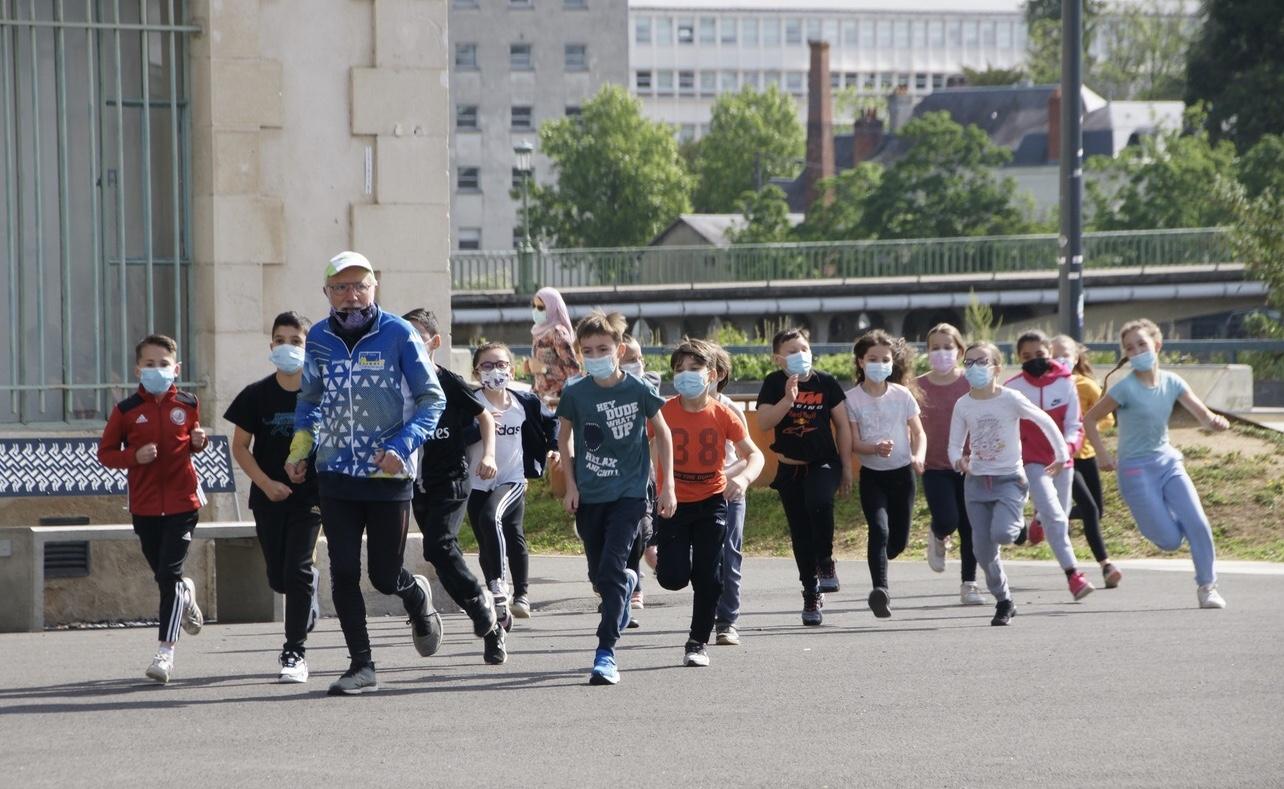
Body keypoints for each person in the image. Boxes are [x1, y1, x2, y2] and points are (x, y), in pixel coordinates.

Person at [286, 251, 446, 695]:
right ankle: (362, 665)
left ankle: (415, 596)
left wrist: (401, 448)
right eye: (341, 287)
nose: (352, 296)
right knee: (341, 571)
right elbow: (309, 401)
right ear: (326, 293)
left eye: (361, 286)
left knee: (383, 575)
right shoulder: (317, 338)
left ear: (374, 288)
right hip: (335, 473)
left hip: (388, 475)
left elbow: (433, 401)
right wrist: (300, 450)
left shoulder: (397, 334)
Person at [555, 311, 675, 685]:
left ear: (619, 350)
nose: (596, 355)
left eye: (603, 348)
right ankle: (622, 587)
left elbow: (664, 434)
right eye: (588, 350)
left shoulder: (638, 389)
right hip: (591, 497)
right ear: (579, 353)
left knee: (610, 569)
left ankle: (605, 653)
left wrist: (666, 485)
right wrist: (570, 484)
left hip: (630, 495)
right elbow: (564, 438)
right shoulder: (575, 392)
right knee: (599, 576)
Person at [1082, 319, 1229, 609]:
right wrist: (1101, 454)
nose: (1137, 351)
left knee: (1198, 522)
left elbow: (1203, 415)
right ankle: (1163, 520)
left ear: (1157, 346)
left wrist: (1215, 422)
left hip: (1168, 463)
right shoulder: (1124, 389)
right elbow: (1089, 419)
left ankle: (1207, 587)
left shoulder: (1173, 381)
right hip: (1135, 471)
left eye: (1142, 344)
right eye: (1130, 348)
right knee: (1170, 541)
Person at [98, 334, 209, 684]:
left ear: (176, 369)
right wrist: (134, 456)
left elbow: (192, 441)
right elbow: (106, 454)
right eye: (150, 364)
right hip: (144, 506)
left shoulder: (189, 404)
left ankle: (165, 652)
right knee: (167, 579)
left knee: (169, 574)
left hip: (183, 503)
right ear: (138, 370)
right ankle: (187, 595)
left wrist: (199, 443)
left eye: (164, 364)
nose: (157, 370)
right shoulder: (126, 411)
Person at [401, 309, 506, 665]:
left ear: (434, 342)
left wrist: (488, 455)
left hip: (451, 477)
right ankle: (491, 628)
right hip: (416, 482)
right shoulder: (395, 383)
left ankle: (479, 603)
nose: (410, 343)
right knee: (438, 555)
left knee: (440, 543)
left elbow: (484, 415)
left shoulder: (447, 381)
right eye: (404, 335)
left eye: (417, 335)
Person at [224, 312, 324, 683]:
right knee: (280, 579)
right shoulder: (256, 395)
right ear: (271, 347)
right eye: (280, 340)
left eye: (296, 340)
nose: (288, 347)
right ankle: (306, 588)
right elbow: (240, 446)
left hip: (310, 497)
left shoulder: (320, 392)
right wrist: (265, 483)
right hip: (267, 498)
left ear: (308, 347)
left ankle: (294, 652)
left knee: (296, 570)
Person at [652, 339, 763, 667]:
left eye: (694, 369)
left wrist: (741, 479)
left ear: (711, 374)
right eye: (679, 370)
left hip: (712, 500)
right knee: (673, 578)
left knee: (710, 577)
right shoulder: (663, 411)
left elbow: (753, 454)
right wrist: (659, 486)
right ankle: (671, 560)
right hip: (673, 503)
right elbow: (642, 446)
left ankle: (696, 642)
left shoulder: (724, 413)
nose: (686, 375)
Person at [948, 342, 1071, 626]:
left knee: (1003, 534)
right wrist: (959, 460)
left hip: (1009, 481)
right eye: (969, 363)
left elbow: (1045, 420)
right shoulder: (963, 404)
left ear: (997, 368)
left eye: (982, 362)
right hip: (976, 483)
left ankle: (1016, 526)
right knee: (982, 551)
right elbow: (954, 445)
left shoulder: (1011, 398)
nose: (974, 368)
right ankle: (1004, 601)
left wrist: (1062, 453)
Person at [756, 327, 853, 626]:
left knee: (819, 502)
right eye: (792, 351)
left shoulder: (826, 383)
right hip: (789, 468)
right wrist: (788, 399)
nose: (800, 355)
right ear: (778, 358)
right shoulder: (774, 384)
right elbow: (763, 422)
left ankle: (826, 562)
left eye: (804, 349)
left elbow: (844, 426)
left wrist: (847, 468)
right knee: (800, 532)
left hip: (823, 463)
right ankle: (810, 591)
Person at [465, 342, 559, 627]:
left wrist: (553, 448)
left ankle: (515, 592)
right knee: (486, 539)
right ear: (476, 371)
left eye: (501, 365)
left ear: (512, 369)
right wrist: (479, 426)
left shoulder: (524, 402)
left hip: (512, 478)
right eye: (487, 366)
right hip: (477, 482)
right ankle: (498, 593)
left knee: (496, 520)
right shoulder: (470, 403)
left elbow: (551, 423)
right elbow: (454, 436)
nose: (495, 371)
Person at [1006, 330, 1096, 601]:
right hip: (1032, 462)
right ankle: (1074, 576)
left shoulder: (1066, 383)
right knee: (1057, 518)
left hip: (1062, 460)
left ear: (1050, 354)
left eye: (1040, 355)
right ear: (1018, 358)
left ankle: (1038, 519)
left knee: (1061, 514)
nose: (1034, 359)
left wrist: (1065, 451)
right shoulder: (1013, 387)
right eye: (1026, 356)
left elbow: (1074, 425)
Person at [845, 331, 926, 619]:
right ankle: (880, 590)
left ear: (893, 363)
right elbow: (853, 443)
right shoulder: (851, 399)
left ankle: (882, 560)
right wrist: (874, 447)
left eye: (885, 359)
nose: (879, 364)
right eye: (873, 359)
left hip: (903, 475)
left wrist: (918, 456)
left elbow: (918, 433)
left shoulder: (902, 395)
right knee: (879, 530)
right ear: (861, 361)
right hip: (873, 476)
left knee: (897, 542)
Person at [916, 323, 984, 605]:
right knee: (947, 518)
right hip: (934, 466)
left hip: (970, 465)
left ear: (959, 351)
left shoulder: (971, 382)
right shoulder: (917, 386)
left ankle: (969, 583)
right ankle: (938, 532)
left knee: (970, 526)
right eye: (935, 347)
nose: (941, 353)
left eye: (948, 347)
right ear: (927, 351)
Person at [1051, 334, 1122, 588]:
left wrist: (1085, 426)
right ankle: (1106, 566)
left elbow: (1107, 418)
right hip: (1063, 458)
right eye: (1054, 355)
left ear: (1077, 357)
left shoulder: (1086, 385)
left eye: (1066, 355)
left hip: (1087, 454)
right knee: (1090, 509)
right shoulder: (1047, 388)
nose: (1060, 360)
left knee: (1097, 511)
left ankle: (1052, 516)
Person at [709, 344, 752, 645]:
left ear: (718, 374)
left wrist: (729, 475)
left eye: (700, 367)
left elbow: (747, 455)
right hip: (692, 493)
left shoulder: (729, 409)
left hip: (729, 492)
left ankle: (727, 621)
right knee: (701, 559)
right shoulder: (676, 408)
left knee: (729, 554)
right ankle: (707, 607)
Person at [620, 334, 660, 613]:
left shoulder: (648, 385)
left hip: (643, 475)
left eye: (640, 358)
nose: (638, 363)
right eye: (630, 359)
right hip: (606, 477)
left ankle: (634, 587)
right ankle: (619, 583)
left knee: (641, 533)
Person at [527, 286, 580, 403]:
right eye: (534, 306)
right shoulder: (538, 331)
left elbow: (573, 370)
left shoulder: (557, 332)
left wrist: (544, 369)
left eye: (541, 308)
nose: (536, 311)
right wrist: (531, 367)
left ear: (552, 307)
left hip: (558, 399)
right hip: (541, 397)